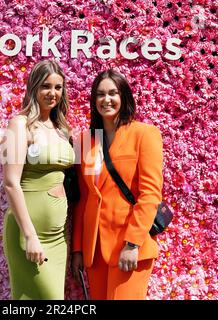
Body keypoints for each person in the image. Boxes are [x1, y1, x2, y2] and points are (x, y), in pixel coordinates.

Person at [71, 69, 163, 300]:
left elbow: (150, 194)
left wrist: (133, 243)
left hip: (130, 246)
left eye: (113, 93)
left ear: (124, 96)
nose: (106, 99)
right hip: (95, 251)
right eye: (100, 94)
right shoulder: (83, 141)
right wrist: (78, 249)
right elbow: (83, 198)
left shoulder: (145, 134)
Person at [2, 60, 74, 299]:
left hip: (58, 237)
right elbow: (11, 182)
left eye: (58, 87)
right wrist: (30, 235)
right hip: (30, 233)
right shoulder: (19, 124)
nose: (52, 93)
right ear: (33, 88)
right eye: (46, 86)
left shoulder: (62, 129)